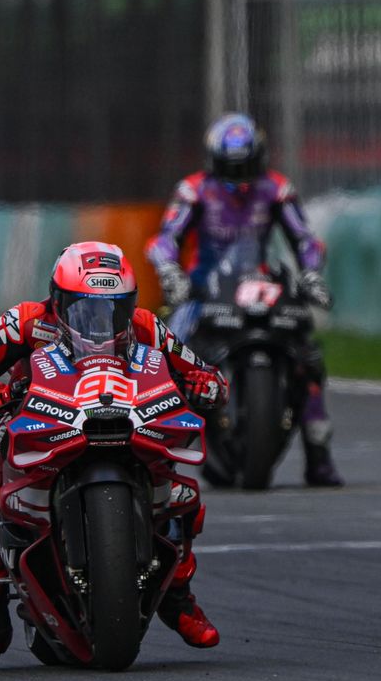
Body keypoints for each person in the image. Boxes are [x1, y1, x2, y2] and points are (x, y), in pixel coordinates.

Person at [0, 242, 229, 670]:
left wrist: (207, 386)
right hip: (35, 419)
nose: (100, 321)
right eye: (84, 307)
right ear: (57, 299)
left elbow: (204, 373)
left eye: (114, 308)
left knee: (182, 493)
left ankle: (178, 598)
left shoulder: (147, 326)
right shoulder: (21, 324)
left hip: (127, 418)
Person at [146, 113, 341, 487]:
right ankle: (155, 458)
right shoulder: (194, 190)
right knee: (164, 358)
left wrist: (310, 273)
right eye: (230, 168)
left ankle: (319, 455)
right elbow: (165, 239)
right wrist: (172, 275)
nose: (239, 178)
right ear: (213, 161)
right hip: (203, 290)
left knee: (307, 355)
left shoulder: (277, 189)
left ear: (261, 158)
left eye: (247, 166)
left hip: (261, 283)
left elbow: (304, 240)